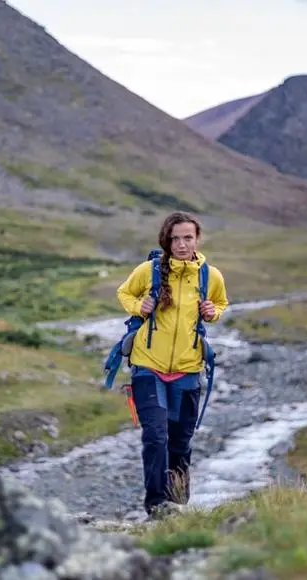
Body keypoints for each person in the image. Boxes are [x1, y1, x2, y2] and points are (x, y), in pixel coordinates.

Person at [115, 211, 230, 517]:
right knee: (156, 437)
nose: (181, 244)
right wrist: (140, 305)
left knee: (180, 443)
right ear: (166, 240)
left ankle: (178, 504)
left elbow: (221, 303)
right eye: (175, 238)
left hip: (188, 370)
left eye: (187, 238)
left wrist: (211, 312)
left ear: (197, 239)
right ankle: (156, 507)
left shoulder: (210, 276)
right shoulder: (150, 270)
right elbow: (124, 291)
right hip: (147, 366)